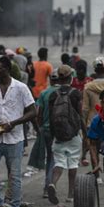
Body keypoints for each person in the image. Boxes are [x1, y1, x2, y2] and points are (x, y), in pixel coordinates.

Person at [0, 55, 36, 207]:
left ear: (7, 69)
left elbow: (33, 111)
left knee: (14, 176)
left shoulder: (21, 88)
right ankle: (0, 204)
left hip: (15, 139)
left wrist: (13, 123)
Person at [46, 65, 87, 205]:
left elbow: (51, 118)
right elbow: (80, 115)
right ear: (71, 77)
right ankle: (70, 194)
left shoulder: (53, 95)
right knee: (73, 163)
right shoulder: (76, 93)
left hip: (58, 135)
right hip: (73, 135)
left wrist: (53, 136)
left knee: (59, 163)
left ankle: (52, 183)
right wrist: (85, 133)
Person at [82, 57, 104, 183]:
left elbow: (84, 109)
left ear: (95, 70)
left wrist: (83, 126)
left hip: (93, 122)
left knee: (93, 149)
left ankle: (97, 176)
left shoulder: (88, 87)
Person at [36, 69, 60, 198]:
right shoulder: (63, 93)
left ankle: (47, 185)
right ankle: (50, 184)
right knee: (55, 158)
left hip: (46, 130)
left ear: (51, 79)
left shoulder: (44, 93)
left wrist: (39, 128)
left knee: (50, 157)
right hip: (60, 131)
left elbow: (38, 114)